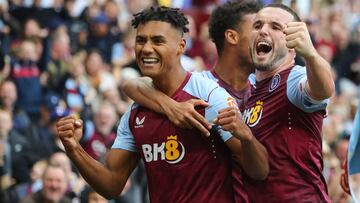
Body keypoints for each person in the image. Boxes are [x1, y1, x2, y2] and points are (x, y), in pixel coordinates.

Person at [56, 6, 267, 203]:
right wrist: (73, 148)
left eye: (157, 41)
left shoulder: (209, 96)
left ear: (181, 46)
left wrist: (247, 138)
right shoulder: (135, 113)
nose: (146, 48)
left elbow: (258, 171)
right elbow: (111, 184)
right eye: (141, 40)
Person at [122, 2, 267, 202]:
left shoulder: (266, 92)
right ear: (232, 36)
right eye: (257, 28)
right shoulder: (201, 88)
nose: (263, 35)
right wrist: (172, 106)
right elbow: (133, 85)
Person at [242, 3, 334, 202]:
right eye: (257, 26)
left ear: (292, 43)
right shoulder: (245, 89)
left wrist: (310, 54)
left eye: (275, 27)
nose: (263, 31)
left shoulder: (294, 78)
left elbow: (323, 89)